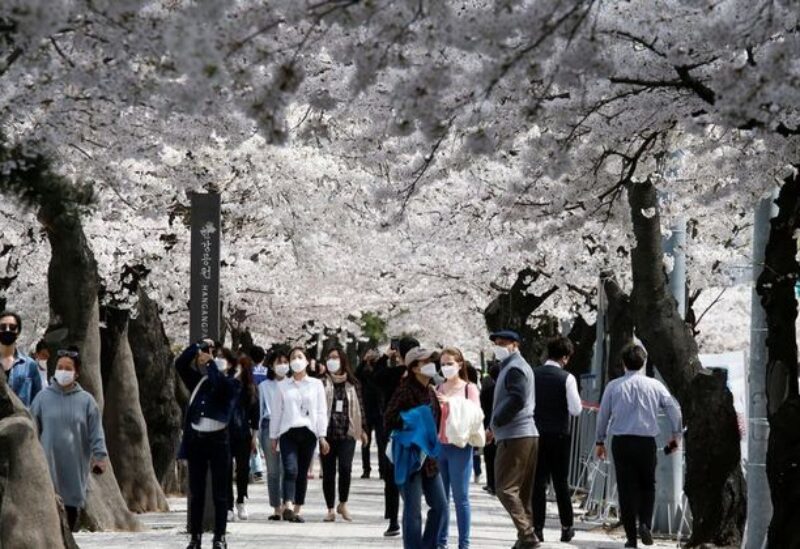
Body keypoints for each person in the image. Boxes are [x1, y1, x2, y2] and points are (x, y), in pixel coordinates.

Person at [595, 344, 682, 549]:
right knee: (647, 485)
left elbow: (603, 416)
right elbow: (674, 410)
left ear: (623, 363)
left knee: (626, 488)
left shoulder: (614, 386)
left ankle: (631, 538)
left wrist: (600, 440)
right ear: (643, 362)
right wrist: (676, 435)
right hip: (646, 442)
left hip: (622, 442)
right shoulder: (656, 386)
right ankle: (645, 523)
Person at [30, 347, 108, 532]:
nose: (63, 371)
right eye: (60, 367)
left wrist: (100, 457)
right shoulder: (42, 398)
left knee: (70, 517)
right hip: (47, 465)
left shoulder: (87, 401)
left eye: (68, 368)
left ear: (77, 373)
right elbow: (32, 430)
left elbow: (96, 432)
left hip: (75, 466)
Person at [175, 339, 242, 549]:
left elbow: (218, 385)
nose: (215, 358)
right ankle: (195, 537)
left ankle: (219, 537)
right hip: (197, 440)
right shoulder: (199, 381)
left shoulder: (232, 383)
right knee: (197, 491)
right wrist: (198, 346)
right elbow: (180, 364)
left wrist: (211, 363)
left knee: (220, 492)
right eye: (213, 354)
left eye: (221, 356)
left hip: (219, 440)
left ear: (230, 363)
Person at [384, 347, 447, 549]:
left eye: (431, 360)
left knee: (440, 506)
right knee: (413, 511)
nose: (431, 364)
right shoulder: (404, 389)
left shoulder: (431, 390)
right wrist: (414, 419)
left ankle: (428, 545)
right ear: (414, 367)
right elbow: (389, 419)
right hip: (410, 457)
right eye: (425, 361)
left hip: (429, 459)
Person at [488, 330, 541, 549]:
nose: (498, 346)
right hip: (527, 433)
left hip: (514, 434)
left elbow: (517, 398)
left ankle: (527, 534)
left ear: (515, 344)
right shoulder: (516, 366)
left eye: (503, 343)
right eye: (496, 343)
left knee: (505, 488)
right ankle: (525, 539)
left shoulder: (514, 368)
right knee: (524, 492)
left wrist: (497, 421)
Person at [532, 336, 583, 543]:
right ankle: (566, 526)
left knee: (538, 482)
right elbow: (576, 409)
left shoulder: (533, 374)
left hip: (536, 433)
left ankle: (537, 528)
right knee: (561, 482)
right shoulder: (567, 378)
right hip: (560, 434)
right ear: (565, 357)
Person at [269, 347, 329, 522]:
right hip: (288, 432)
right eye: (293, 357)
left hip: (308, 432)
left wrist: (322, 435)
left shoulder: (316, 384)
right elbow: (277, 413)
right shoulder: (282, 386)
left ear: (307, 361)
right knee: (290, 468)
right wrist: (273, 436)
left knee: (302, 472)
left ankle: (297, 509)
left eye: (299, 356)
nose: (296, 360)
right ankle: (287, 504)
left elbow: (321, 411)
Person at [435, 347, 483, 549]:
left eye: (450, 363)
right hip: (440, 446)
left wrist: (451, 403)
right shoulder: (437, 388)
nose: (446, 367)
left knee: (460, 497)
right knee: (441, 499)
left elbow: (475, 414)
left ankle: (464, 544)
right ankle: (440, 541)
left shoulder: (469, 388)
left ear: (460, 365)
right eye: (443, 364)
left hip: (460, 447)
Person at [374, 336, 420, 537]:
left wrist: (384, 356)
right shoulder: (421, 375)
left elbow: (374, 377)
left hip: (393, 430)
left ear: (399, 353)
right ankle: (411, 513)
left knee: (392, 476)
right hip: (416, 430)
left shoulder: (392, 374)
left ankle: (394, 520)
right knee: (413, 473)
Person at [321, 346, 368, 522]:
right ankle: (330, 508)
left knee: (346, 469)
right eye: (329, 357)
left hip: (347, 432)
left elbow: (361, 407)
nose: (331, 361)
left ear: (342, 361)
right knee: (328, 471)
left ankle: (343, 503)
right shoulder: (322, 382)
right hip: (327, 432)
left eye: (335, 357)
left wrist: (363, 428)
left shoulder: (353, 383)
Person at [227, 352, 260, 522]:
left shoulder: (251, 389)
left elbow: (255, 416)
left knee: (242, 469)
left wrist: (254, 437)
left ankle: (241, 500)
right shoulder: (227, 385)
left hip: (243, 433)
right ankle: (228, 505)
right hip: (225, 433)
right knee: (225, 468)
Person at [259, 347, 289, 520]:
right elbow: (260, 411)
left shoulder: (293, 383)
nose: (283, 365)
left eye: (286, 362)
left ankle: (287, 504)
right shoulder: (264, 386)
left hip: (288, 426)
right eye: (279, 362)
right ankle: (276, 507)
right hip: (268, 426)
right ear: (271, 365)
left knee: (288, 468)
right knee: (272, 470)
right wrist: (255, 436)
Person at [0, 311, 42, 407]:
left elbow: (37, 401)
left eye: (12, 327)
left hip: (20, 420)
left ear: (18, 332)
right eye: (3, 327)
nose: (7, 330)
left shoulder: (30, 365)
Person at [356, 347, 382, 479]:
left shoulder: (380, 368)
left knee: (381, 441)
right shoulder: (363, 370)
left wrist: (381, 360)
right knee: (365, 441)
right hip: (366, 409)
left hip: (379, 410)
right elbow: (355, 376)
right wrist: (363, 361)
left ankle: (382, 469)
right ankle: (366, 469)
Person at [480, 360, 500, 495]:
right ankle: (499, 484)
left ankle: (491, 483)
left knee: (489, 457)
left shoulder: (486, 391)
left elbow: (481, 408)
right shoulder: (504, 390)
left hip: (487, 424)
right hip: (501, 426)